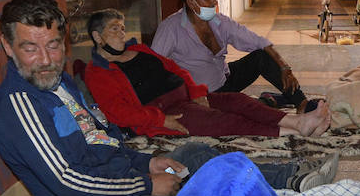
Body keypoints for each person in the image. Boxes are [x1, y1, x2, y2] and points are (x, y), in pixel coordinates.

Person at [0, 0, 360, 196]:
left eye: (54, 45)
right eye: (30, 48)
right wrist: (145, 184)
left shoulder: (60, 84)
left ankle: (291, 177)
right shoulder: (20, 102)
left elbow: (105, 141)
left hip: (118, 177)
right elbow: (68, 180)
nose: (46, 59)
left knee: (197, 152)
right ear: (7, 46)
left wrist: (147, 161)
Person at [83, 9, 331, 139]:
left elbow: (175, 69)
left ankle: (297, 122)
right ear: (97, 36)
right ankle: (296, 129)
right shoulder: (98, 72)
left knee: (238, 101)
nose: (121, 33)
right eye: (114, 29)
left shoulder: (138, 49)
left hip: (187, 97)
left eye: (123, 28)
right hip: (165, 111)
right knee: (222, 121)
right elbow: (119, 112)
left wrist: (196, 92)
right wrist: (160, 120)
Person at [151, 0, 313, 111]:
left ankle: (302, 103)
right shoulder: (170, 28)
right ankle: (267, 101)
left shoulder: (219, 22)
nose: (214, 2)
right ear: (191, 2)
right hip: (203, 95)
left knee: (261, 56)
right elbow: (153, 65)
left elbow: (259, 41)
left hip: (226, 78)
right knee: (249, 113)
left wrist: (284, 67)